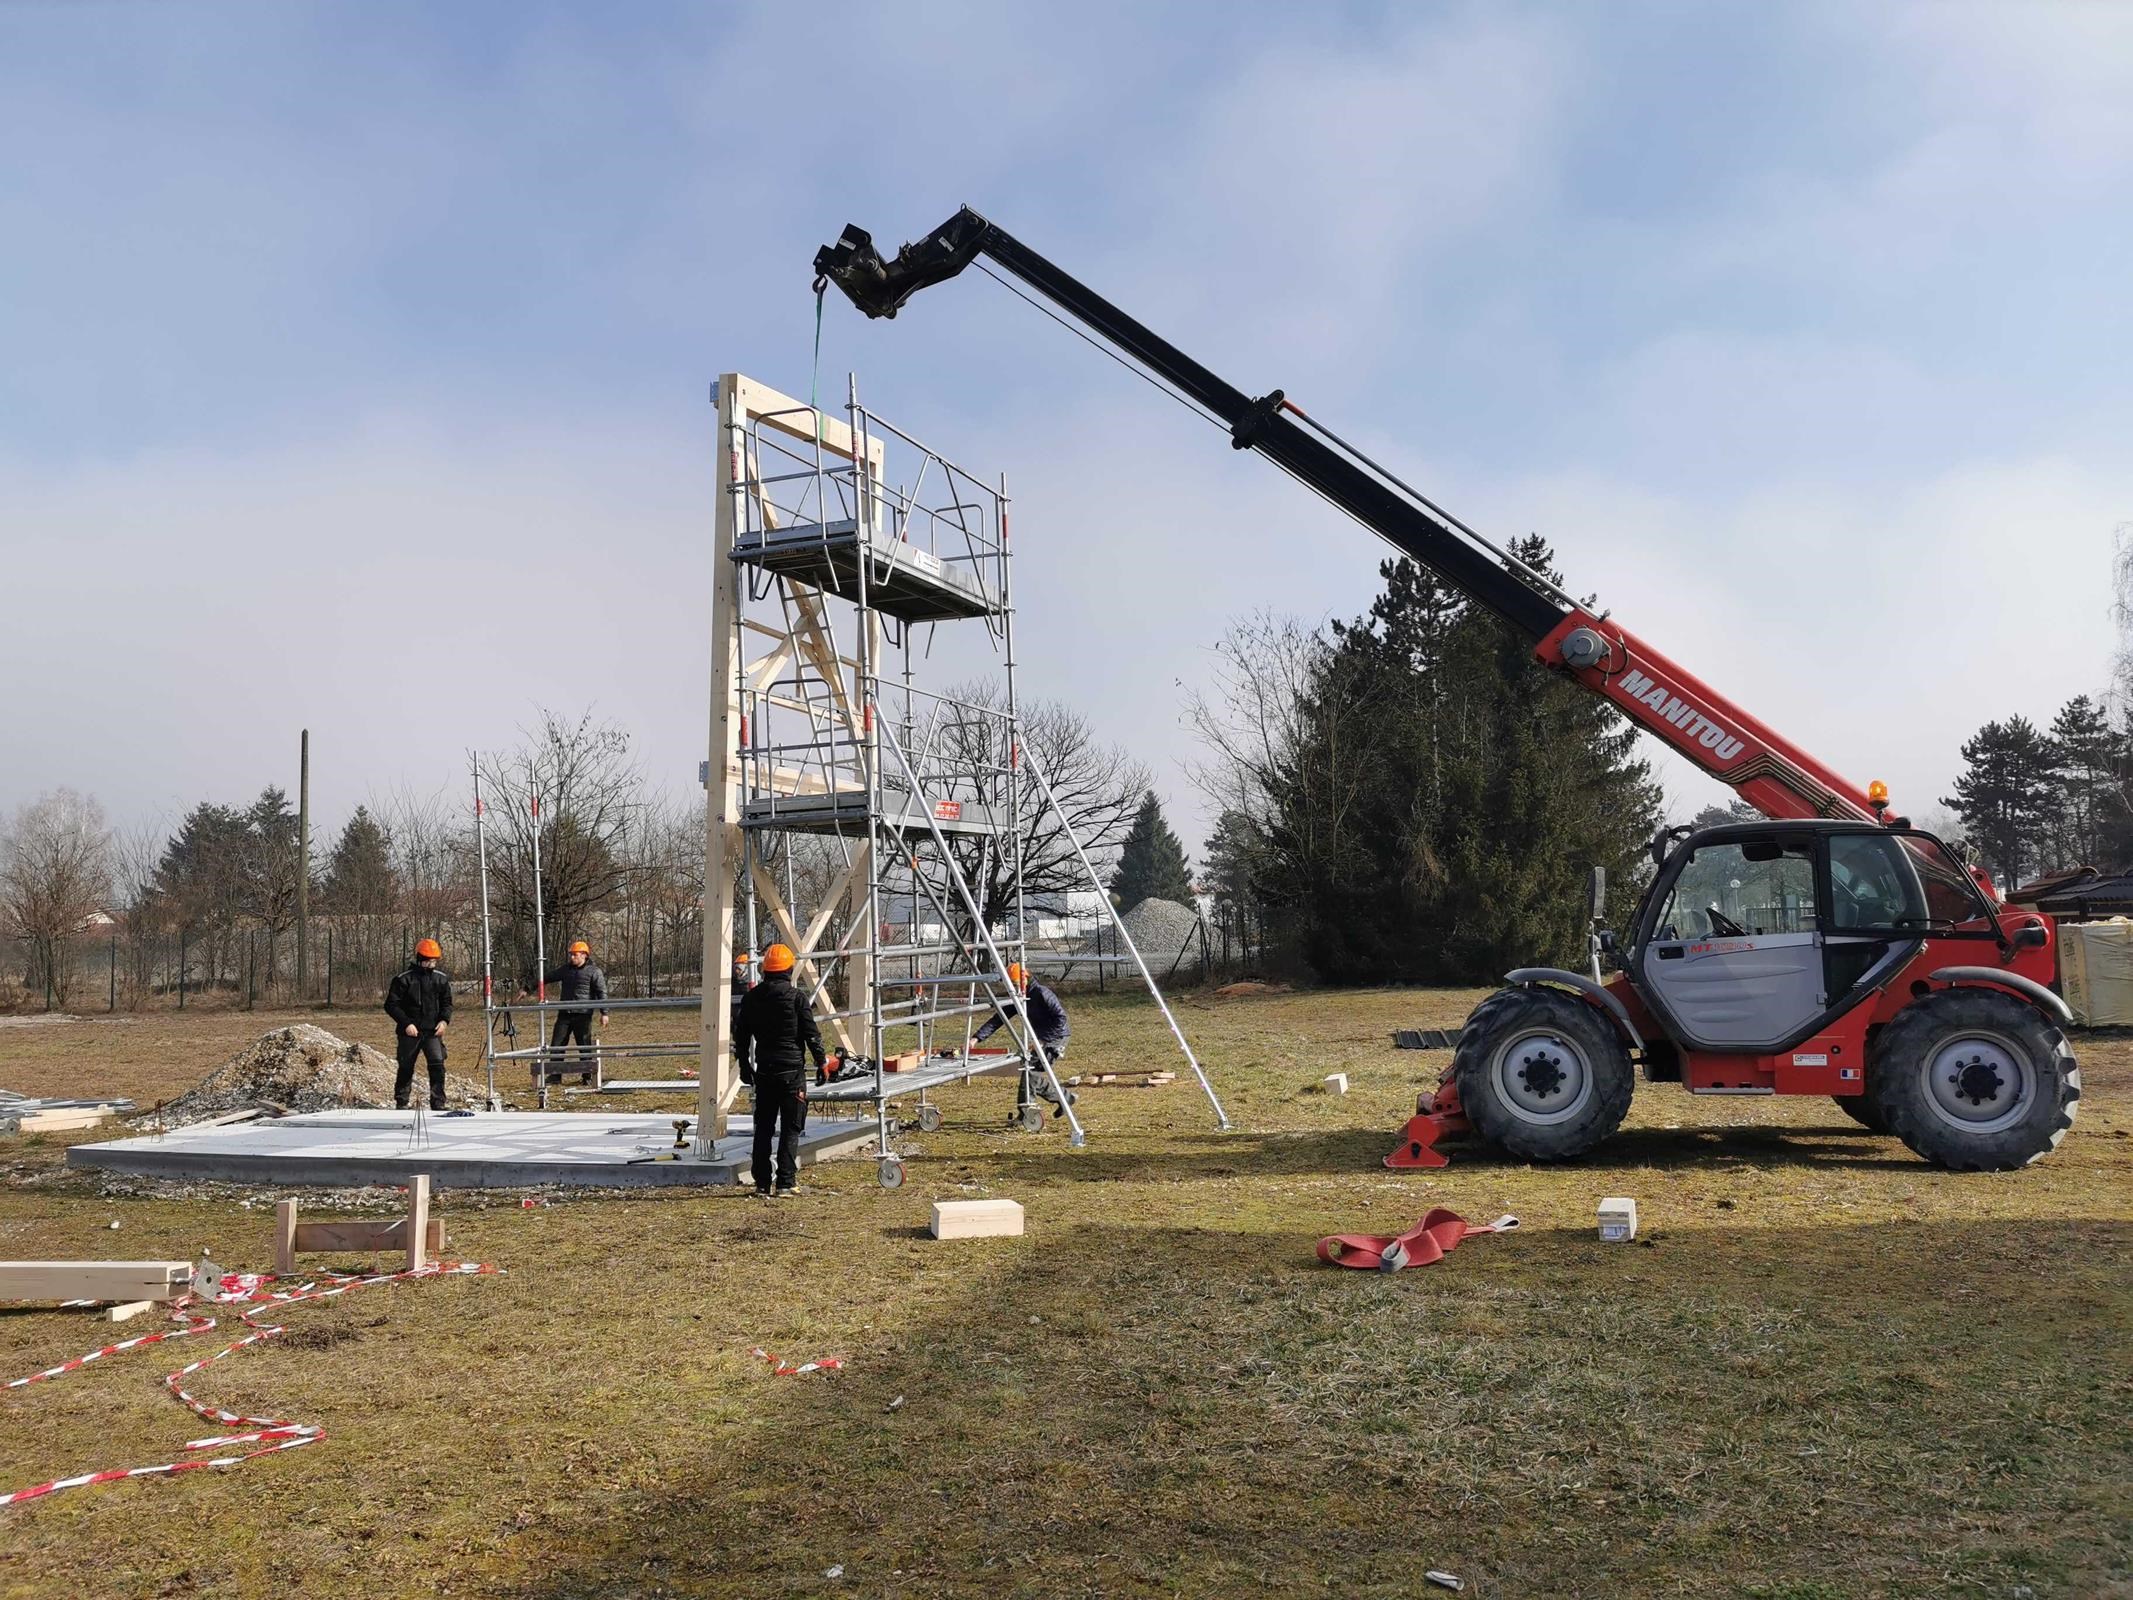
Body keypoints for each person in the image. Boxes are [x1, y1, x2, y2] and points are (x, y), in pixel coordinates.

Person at [732, 943, 825, 1196]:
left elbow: (740, 1036)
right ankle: (785, 1181)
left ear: (764, 970)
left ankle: (762, 1182)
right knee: (791, 1128)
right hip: (792, 1072)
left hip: (764, 1072)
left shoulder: (752, 998)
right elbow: (811, 1034)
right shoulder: (797, 998)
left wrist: (744, 1064)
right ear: (789, 969)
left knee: (763, 1128)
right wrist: (822, 1063)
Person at [969, 962, 1075, 1120]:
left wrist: (1043, 1040)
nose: (1013, 988)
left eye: (1015, 984)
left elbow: (1060, 1018)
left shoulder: (1041, 993)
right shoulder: (1017, 997)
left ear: (1025, 979)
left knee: (1030, 1072)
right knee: (1030, 1072)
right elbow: (999, 1018)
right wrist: (976, 1038)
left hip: (1056, 1037)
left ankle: (1028, 1114)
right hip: (1042, 1039)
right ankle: (1063, 1098)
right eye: (1010, 985)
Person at [523, 939, 608, 1085]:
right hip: (565, 1014)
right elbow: (548, 977)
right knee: (557, 1044)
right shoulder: (566, 970)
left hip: (583, 1014)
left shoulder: (594, 972)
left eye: (575, 955)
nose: (572, 957)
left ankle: (587, 1076)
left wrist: (604, 1013)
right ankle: (555, 1075)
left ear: (584, 955)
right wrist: (528, 987)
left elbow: (602, 992)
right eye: (571, 955)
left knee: (584, 1045)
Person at [384, 937, 454, 1111]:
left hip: (432, 1032)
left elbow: (447, 1003)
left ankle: (438, 1103)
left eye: (435, 961)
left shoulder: (441, 979)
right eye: (430, 961)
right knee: (406, 1066)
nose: (433, 964)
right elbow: (391, 1004)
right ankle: (402, 1102)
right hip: (410, 1032)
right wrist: (406, 1023)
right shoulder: (403, 979)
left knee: (437, 1064)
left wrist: (444, 1021)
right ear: (421, 959)